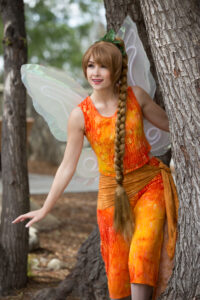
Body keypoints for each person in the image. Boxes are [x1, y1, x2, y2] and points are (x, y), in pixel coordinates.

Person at [12, 33, 178, 300]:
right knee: (116, 265)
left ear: (116, 69)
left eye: (103, 66)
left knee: (142, 251)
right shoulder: (80, 115)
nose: (96, 72)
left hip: (149, 184)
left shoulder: (136, 97)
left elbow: (177, 125)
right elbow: (67, 165)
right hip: (111, 192)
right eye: (90, 65)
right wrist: (46, 207)